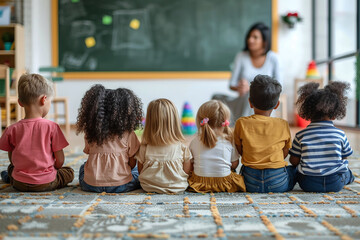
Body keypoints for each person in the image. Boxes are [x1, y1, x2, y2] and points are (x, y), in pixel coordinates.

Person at [0, 73, 74, 191]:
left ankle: (8, 177)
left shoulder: (11, 129)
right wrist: (53, 169)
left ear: (19, 102)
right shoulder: (52, 127)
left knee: (11, 168)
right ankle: (11, 176)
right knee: (69, 172)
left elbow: (12, 158)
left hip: (19, 182)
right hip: (46, 182)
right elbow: (60, 161)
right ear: (44, 99)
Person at [234, 75, 295, 193]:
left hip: (249, 182)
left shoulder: (241, 123)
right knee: (295, 170)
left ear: (250, 103)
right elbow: (285, 151)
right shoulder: (283, 124)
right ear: (277, 105)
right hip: (278, 183)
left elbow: (239, 149)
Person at [289, 81, 354, 192]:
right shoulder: (340, 134)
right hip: (335, 183)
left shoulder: (300, 135)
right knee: (347, 171)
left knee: (293, 170)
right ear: (335, 114)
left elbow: (294, 161)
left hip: (308, 184)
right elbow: (344, 158)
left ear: (308, 113)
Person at [76, 85, 143, 193]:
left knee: (83, 168)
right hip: (121, 185)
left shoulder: (91, 132)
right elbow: (132, 163)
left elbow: (88, 152)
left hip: (91, 185)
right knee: (136, 171)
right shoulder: (129, 134)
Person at [214, 22, 281, 124]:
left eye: (255, 37)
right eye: (249, 36)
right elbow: (232, 85)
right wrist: (240, 87)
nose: (250, 40)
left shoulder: (273, 58)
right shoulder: (241, 56)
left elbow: (280, 86)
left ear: (264, 41)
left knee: (251, 96)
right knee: (215, 99)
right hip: (244, 101)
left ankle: (246, 126)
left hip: (265, 104)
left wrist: (251, 89)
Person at [187, 100, 246, 193]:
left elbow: (190, 164)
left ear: (199, 120)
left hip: (200, 183)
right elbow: (234, 164)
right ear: (226, 121)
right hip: (224, 183)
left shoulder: (195, 141)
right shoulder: (230, 140)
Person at [135, 98, 192, 194]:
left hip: (148, 186)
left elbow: (140, 170)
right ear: (174, 122)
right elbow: (186, 171)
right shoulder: (182, 147)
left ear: (149, 123)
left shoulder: (144, 147)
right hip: (177, 187)